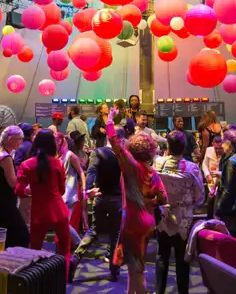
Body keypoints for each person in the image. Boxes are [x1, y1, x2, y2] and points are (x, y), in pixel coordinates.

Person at [106, 107, 169, 294]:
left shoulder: (131, 166)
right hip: (148, 223)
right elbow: (163, 198)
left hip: (133, 222)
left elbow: (113, 141)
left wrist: (109, 119)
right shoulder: (152, 173)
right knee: (134, 267)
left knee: (137, 268)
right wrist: (149, 202)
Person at [154, 131, 204, 294]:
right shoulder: (192, 168)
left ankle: (159, 291)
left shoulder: (158, 163)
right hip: (183, 220)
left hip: (163, 216)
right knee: (182, 259)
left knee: (162, 256)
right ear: (184, 147)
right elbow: (200, 197)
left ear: (168, 145)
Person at [69, 132, 123, 283]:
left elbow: (91, 171)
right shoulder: (121, 155)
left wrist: (87, 190)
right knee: (115, 234)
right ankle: (114, 270)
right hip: (117, 199)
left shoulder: (97, 152)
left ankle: (75, 258)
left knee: (93, 230)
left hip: (100, 196)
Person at [15, 130, 72, 272]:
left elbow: (19, 191)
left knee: (34, 249)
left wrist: (32, 192)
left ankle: (35, 279)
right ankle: (63, 279)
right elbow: (62, 190)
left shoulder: (26, 165)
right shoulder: (58, 163)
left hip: (39, 212)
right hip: (58, 210)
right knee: (65, 249)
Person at [0, 126, 30, 248]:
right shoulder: (6, 157)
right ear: (10, 139)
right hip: (6, 202)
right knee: (22, 237)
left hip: (2, 201)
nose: (20, 142)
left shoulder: (2, 154)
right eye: (19, 139)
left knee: (9, 237)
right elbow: (13, 183)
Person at [55, 133, 84, 249]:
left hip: (69, 193)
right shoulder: (57, 156)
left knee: (63, 222)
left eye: (55, 140)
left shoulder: (69, 155)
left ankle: (79, 244)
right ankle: (72, 245)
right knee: (61, 222)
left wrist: (84, 188)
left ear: (60, 141)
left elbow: (81, 171)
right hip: (59, 194)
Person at [202, 135, 223, 218]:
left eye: (219, 148)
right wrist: (207, 174)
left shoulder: (225, 152)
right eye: (216, 148)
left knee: (218, 203)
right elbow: (204, 164)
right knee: (210, 201)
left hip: (221, 180)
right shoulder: (209, 150)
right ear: (213, 144)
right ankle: (209, 219)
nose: (217, 150)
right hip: (211, 180)